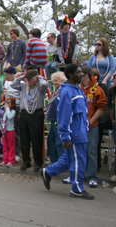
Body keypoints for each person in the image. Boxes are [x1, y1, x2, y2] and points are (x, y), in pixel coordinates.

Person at [40, 64, 94, 200]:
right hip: (73, 134)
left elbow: (83, 113)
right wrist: (66, 136)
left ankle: (47, 172)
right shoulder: (66, 92)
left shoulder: (78, 89)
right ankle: (77, 189)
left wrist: (85, 128)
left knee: (69, 159)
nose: (81, 74)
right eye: (78, 72)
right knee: (78, 161)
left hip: (80, 132)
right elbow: (64, 116)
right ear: (70, 74)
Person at [10, 69, 49, 172]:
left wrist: (39, 77)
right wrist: (22, 77)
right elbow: (13, 84)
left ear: (36, 78)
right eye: (27, 79)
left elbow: (46, 84)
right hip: (24, 113)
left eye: (31, 79)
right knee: (24, 138)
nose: (29, 81)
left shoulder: (40, 87)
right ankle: (26, 161)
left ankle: (38, 162)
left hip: (36, 113)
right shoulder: (24, 86)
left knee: (36, 139)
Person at [80, 66, 106, 188]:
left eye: (80, 74)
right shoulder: (78, 88)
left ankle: (91, 177)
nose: (78, 76)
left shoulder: (98, 90)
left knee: (91, 152)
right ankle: (78, 175)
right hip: (78, 125)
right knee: (80, 151)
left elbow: (101, 108)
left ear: (86, 76)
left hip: (92, 126)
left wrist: (90, 121)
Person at [46, 72, 67, 164]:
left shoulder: (63, 90)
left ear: (63, 80)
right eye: (54, 81)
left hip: (58, 121)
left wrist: (60, 122)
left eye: (56, 80)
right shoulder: (57, 90)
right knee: (51, 141)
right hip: (53, 120)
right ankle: (54, 160)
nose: (54, 82)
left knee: (59, 142)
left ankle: (61, 162)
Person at [3, 66, 21, 162]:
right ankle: (9, 152)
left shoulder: (20, 83)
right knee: (7, 130)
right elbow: (7, 95)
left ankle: (17, 153)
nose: (6, 77)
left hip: (16, 107)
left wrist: (20, 112)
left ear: (12, 74)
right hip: (8, 107)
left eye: (7, 75)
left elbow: (21, 98)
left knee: (16, 131)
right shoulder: (7, 82)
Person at [0, 97, 16, 167]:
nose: (6, 104)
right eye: (6, 102)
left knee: (11, 146)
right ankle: (5, 159)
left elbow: (10, 116)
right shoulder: (5, 111)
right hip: (4, 131)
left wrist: (7, 108)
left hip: (10, 130)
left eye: (8, 102)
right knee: (5, 146)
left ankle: (11, 160)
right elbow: (2, 120)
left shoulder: (13, 111)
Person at [107, 76, 116, 183]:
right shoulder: (111, 90)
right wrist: (112, 119)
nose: (113, 81)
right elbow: (109, 105)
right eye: (113, 79)